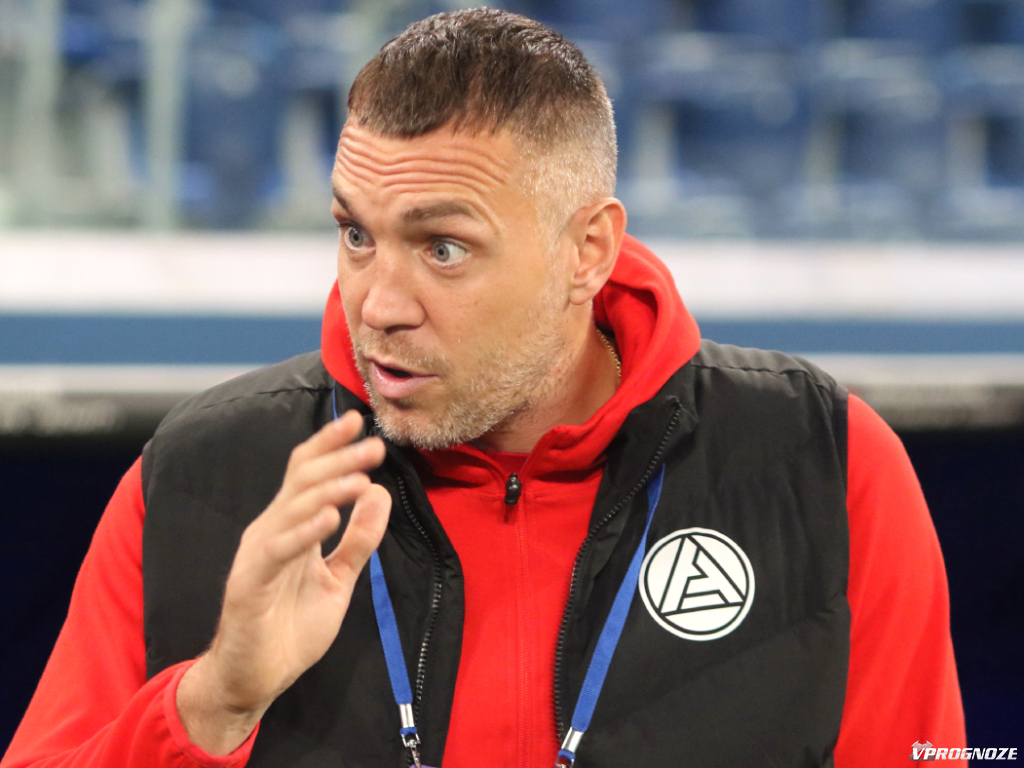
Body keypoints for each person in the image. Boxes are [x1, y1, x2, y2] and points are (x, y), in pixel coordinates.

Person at [2, 8, 965, 768]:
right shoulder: (202, 477)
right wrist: (211, 706)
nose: (380, 305)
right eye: (356, 234)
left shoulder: (825, 463)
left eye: (444, 248)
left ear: (587, 250)